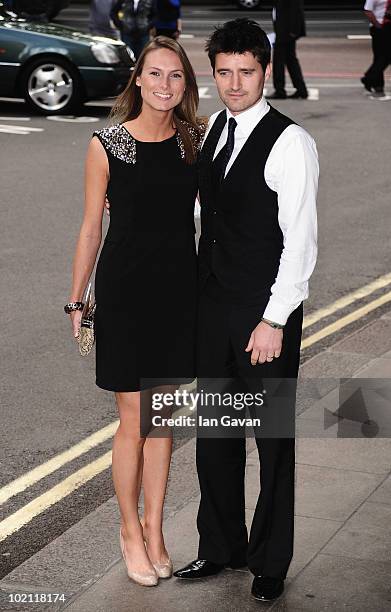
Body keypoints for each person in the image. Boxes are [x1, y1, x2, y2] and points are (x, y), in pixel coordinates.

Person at [173, 19, 318, 603]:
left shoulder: (291, 142)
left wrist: (274, 319)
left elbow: (300, 241)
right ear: (214, 74)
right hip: (214, 311)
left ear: (265, 70)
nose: (235, 84)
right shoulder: (211, 133)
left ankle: (270, 560)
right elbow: (211, 218)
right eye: (224, 73)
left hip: (264, 316)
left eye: (247, 72)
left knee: (272, 441)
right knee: (217, 437)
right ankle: (222, 546)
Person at [65, 36, 205, 587]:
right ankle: (128, 530)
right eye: (156, 75)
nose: (165, 85)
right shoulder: (107, 145)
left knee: (163, 419)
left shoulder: (195, 141)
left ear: (185, 85)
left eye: (176, 76)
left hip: (179, 293)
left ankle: (156, 529)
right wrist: (78, 298)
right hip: (124, 292)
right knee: (133, 419)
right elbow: (90, 227)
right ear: (138, 80)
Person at [267, 0, 308, 100]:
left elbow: (295, 9)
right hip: (284, 29)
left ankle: (280, 90)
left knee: (279, 60)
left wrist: (293, 31)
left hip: (286, 30)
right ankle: (301, 89)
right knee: (290, 60)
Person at [361, 0, 391, 95]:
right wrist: (377, 25)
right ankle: (373, 81)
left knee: (383, 57)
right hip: (380, 27)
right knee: (381, 56)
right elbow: (368, 10)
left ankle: (373, 82)